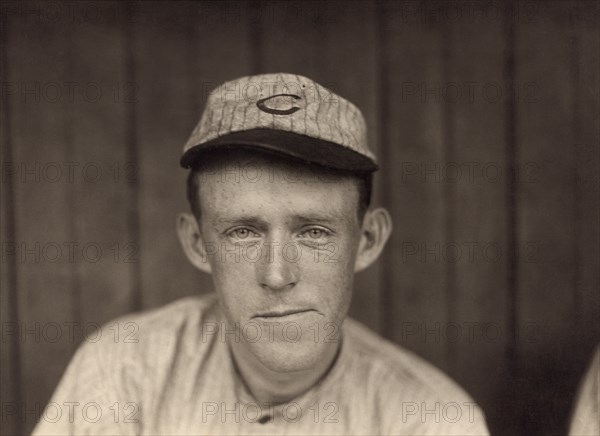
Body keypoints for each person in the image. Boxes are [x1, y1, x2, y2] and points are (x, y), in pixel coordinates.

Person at [33, 73, 489, 435]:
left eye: (313, 232)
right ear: (197, 244)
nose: (276, 274)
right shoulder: (122, 370)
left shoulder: (432, 421)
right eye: (243, 232)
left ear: (367, 241)